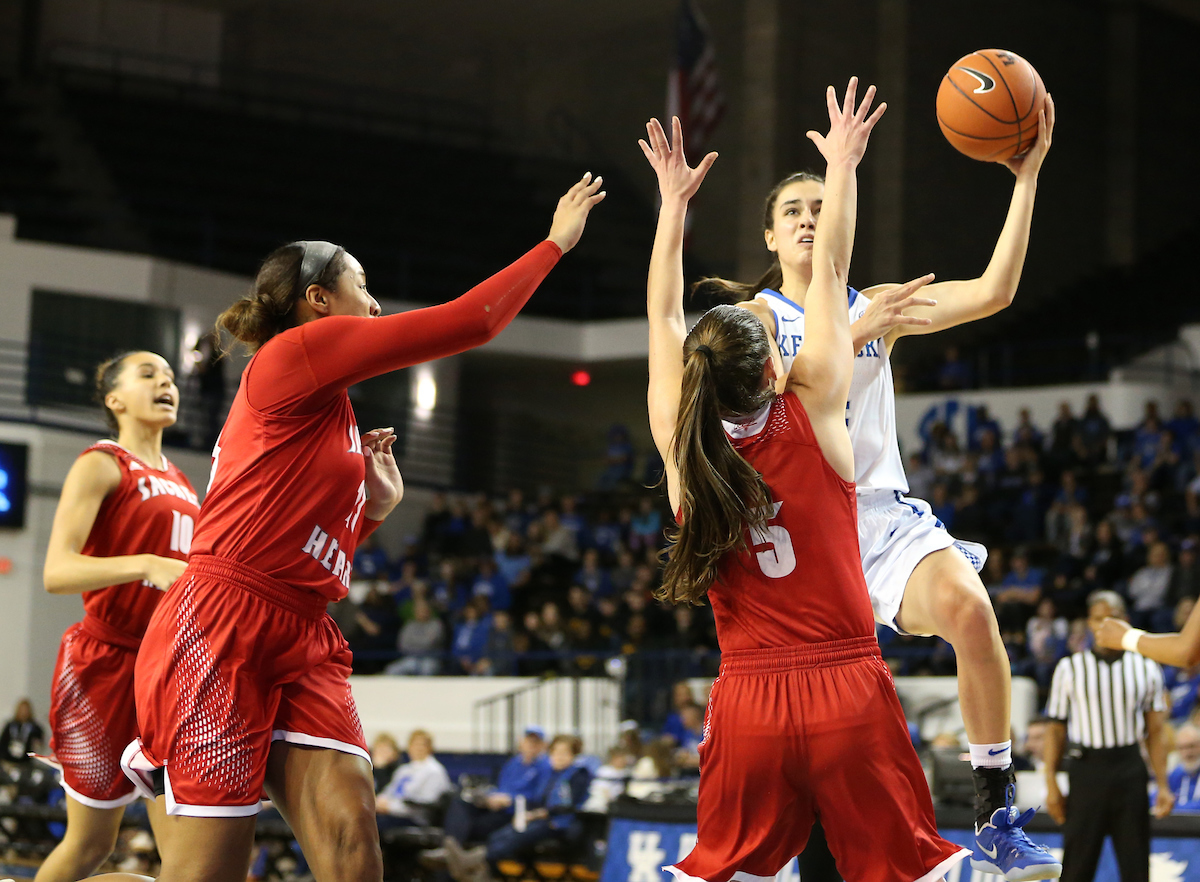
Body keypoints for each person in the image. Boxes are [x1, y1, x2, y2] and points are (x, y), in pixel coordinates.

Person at [88, 174, 604, 882]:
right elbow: (472, 321)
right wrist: (554, 244)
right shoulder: (294, 357)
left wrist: (375, 511)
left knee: (356, 849)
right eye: (363, 286)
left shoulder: (331, 412)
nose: (377, 302)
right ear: (318, 302)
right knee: (209, 875)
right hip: (221, 626)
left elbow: (295, 549)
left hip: (301, 629)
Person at [717, 82, 1057, 875]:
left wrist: (1026, 177)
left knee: (973, 612)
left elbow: (996, 291)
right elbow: (769, 404)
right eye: (791, 209)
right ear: (770, 234)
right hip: (797, 533)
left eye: (816, 203)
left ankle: (995, 806)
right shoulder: (757, 321)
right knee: (821, 745)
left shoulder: (877, 303)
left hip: (877, 518)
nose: (807, 217)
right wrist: (848, 337)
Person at [639, 82, 973, 882]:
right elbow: (832, 269)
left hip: (747, 700)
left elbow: (660, 319)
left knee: (722, 873)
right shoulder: (817, 409)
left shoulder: (685, 455)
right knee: (915, 871)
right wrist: (846, 167)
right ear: (776, 366)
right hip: (845, 689)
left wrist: (671, 208)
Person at [36, 352, 198, 882]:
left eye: (170, 377)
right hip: (103, 665)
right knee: (89, 847)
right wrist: (146, 565)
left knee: (189, 860)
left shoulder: (183, 481)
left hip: (167, 672)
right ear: (115, 399)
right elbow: (57, 570)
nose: (165, 383)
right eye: (149, 375)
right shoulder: (101, 463)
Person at [1044, 591, 1171, 882]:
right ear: (1089, 623)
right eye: (1099, 619)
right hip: (1086, 768)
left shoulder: (1147, 666)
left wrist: (1163, 784)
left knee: (1136, 864)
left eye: (1112, 618)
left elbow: (1155, 732)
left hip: (1129, 767)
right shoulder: (1070, 667)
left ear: (1125, 621)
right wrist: (1051, 781)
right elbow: (1055, 730)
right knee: (1077, 865)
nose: (1105, 625)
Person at [445, 734, 591, 882]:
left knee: (517, 835)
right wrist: (526, 814)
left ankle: (471, 861)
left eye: (564, 753)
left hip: (558, 824)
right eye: (556, 752)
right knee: (500, 835)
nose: (559, 757)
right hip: (538, 817)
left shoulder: (578, 775)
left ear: (574, 755)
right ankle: (482, 871)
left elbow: (564, 807)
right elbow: (537, 800)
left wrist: (533, 815)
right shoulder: (551, 774)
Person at [422, 726, 550, 868]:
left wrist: (509, 799)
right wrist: (489, 798)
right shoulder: (513, 763)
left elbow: (540, 797)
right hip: (495, 809)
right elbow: (500, 787)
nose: (531, 745)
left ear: (543, 745)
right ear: (521, 741)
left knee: (464, 828)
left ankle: (452, 855)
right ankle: (450, 850)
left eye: (536, 742)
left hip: (514, 815)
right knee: (459, 802)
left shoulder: (545, 766)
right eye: (529, 740)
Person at [375, 730, 452, 829]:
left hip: (414, 819)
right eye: (414, 745)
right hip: (392, 813)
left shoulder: (434, 771)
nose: (417, 749)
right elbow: (389, 791)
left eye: (421, 745)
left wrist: (390, 807)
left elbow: (425, 803)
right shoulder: (404, 770)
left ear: (429, 748)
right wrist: (378, 802)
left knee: (375, 826)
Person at [1167, 722, 1200, 811]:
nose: (1187, 753)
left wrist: (1173, 808)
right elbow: (1162, 797)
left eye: (1191, 746)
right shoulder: (1177, 774)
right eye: (1182, 748)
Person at [1, 698, 44, 765]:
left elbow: (39, 743)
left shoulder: (34, 728)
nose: (23, 712)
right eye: (22, 710)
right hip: (9, 762)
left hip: (26, 763)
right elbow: (3, 744)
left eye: (26, 710)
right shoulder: (10, 725)